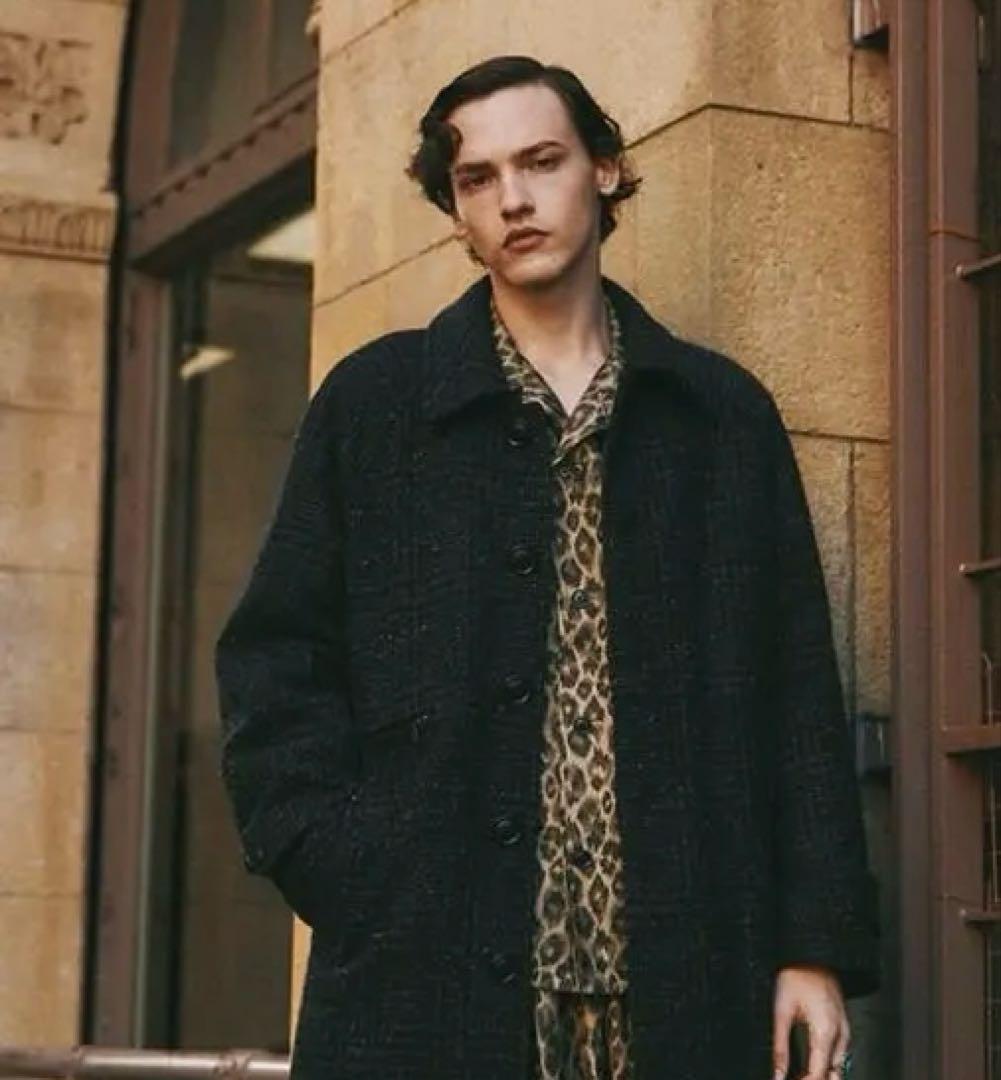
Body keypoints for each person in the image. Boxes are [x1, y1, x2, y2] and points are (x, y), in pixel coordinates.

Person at [215, 55, 881, 1080]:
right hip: (424, 978)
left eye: (540, 161)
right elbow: (274, 663)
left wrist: (811, 945)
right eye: (476, 178)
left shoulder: (717, 418)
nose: (512, 199)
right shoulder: (376, 406)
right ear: (454, 213)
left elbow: (792, 693)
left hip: (688, 976)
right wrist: (349, 868)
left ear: (603, 168)